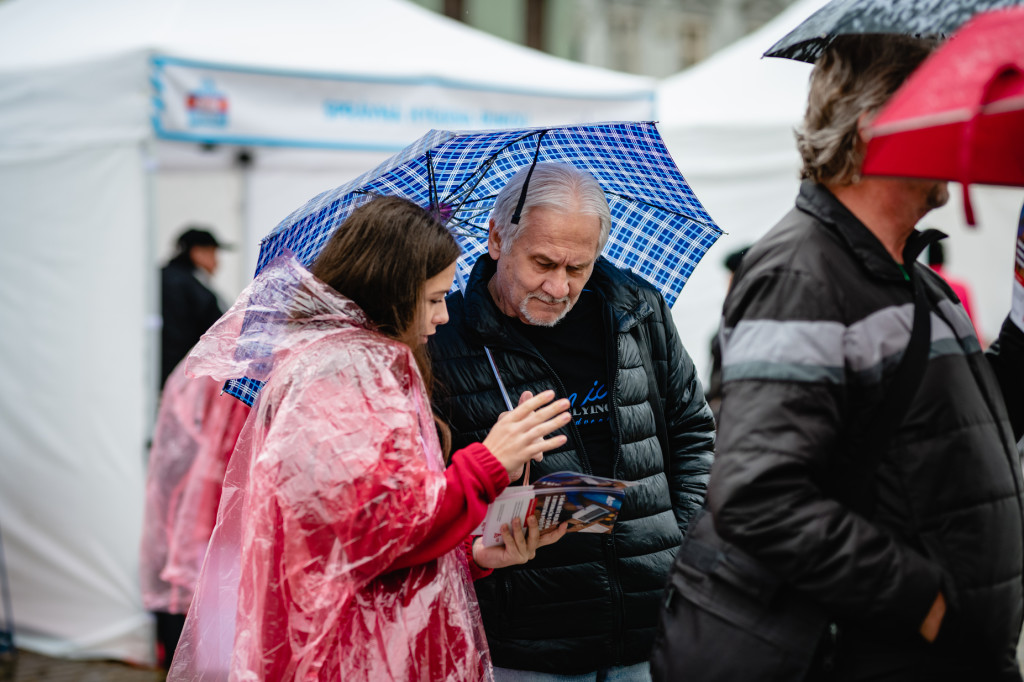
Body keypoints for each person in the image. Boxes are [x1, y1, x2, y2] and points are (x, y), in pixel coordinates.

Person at [654, 35, 1024, 680]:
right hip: (869, 656)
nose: (963, 127)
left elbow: (965, 429)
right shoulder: (804, 275)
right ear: (879, 124)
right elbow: (759, 496)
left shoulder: (910, 276)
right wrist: (925, 602)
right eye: (945, 105)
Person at [167, 196, 572, 681]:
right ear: (391, 292)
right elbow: (383, 528)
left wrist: (473, 553)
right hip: (354, 654)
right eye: (434, 299)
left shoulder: (344, 360)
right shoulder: (357, 368)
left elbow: (353, 530)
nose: (443, 317)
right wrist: (487, 462)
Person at [429, 162, 716, 679]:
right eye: (542, 263)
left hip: (649, 623)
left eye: (578, 268)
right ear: (497, 239)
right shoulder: (444, 341)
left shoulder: (637, 311)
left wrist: (683, 537)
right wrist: (480, 543)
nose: (559, 287)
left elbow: (693, 430)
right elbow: (426, 494)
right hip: (527, 636)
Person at [139, 360, 250, 669]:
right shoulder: (237, 372)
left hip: (213, 512)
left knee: (218, 627)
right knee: (223, 627)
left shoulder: (215, 363)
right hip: (224, 515)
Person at [160, 227, 229, 388]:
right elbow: (220, 330)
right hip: (184, 377)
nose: (217, 262)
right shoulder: (193, 286)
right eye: (213, 253)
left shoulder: (161, 277)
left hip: (162, 372)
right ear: (197, 253)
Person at [927, 239, 979, 333]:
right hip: (956, 343)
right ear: (944, 257)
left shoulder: (918, 283)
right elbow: (970, 324)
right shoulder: (961, 288)